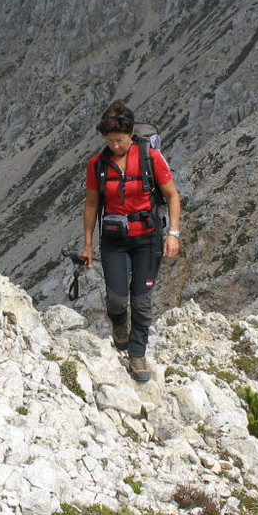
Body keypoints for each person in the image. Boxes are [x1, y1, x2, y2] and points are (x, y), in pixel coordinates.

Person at [81, 100, 181, 382]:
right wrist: (87, 245)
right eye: (110, 141)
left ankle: (137, 355)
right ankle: (119, 324)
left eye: (120, 140)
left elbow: (173, 196)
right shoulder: (98, 165)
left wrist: (173, 233)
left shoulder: (151, 158)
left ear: (132, 133)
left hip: (148, 239)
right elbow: (91, 205)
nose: (115, 146)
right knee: (116, 299)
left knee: (141, 302)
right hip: (114, 240)